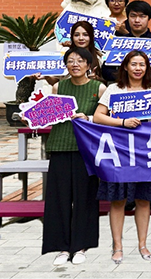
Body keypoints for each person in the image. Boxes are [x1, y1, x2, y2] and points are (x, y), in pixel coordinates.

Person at [93, 51, 151, 264]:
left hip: (145, 152)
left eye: (142, 64)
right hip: (119, 152)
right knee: (118, 200)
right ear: (125, 66)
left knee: (143, 199)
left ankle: (143, 244)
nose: (138, 68)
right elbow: (98, 116)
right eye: (134, 64)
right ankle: (117, 246)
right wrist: (122, 123)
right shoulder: (115, 89)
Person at [40, 46, 106, 266]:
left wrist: (88, 117)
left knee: (84, 198)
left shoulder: (99, 88)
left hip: (85, 150)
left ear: (89, 65)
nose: (75, 64)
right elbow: (48, 115)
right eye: (70, 61)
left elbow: (105, 119)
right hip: (60, 146)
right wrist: (30, 116)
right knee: (58, 199)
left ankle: (81, 246)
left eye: (80, 61)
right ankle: (61, 247)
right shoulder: (58, 87)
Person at [101, 0, 151, 83]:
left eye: (142, 16)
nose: (137, 20)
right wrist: (127, 75)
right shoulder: (118, 42)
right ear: (127, 18)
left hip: (149, 86)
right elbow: (106, 71)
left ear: (149, 18)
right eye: (133, 16)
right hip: (122, 86)